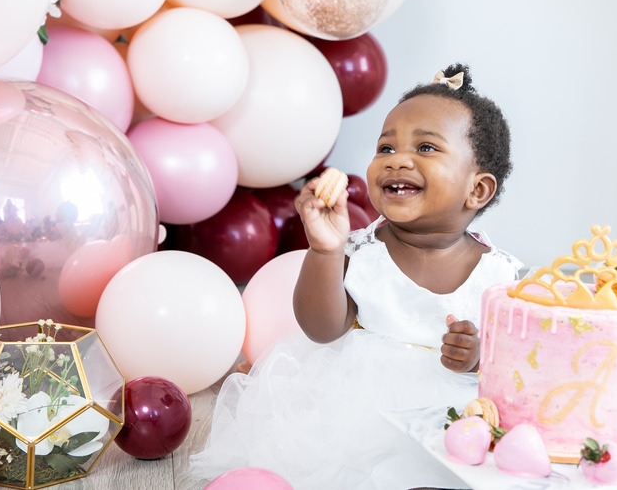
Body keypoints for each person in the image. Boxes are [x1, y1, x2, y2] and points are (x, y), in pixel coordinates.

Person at [188, 64, 522, 489]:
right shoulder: (362, 250)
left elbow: (515, 363)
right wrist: (325, 250)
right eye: (385, 148)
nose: (398, 159)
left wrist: (477, 358)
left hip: (450, 410)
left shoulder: (500, 272)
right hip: (355, 405)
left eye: (425, 148)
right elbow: (322, 329)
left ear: (477, 190)